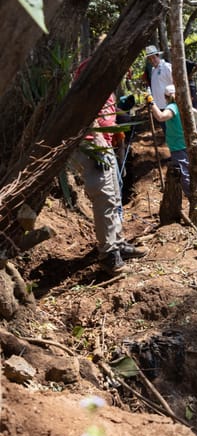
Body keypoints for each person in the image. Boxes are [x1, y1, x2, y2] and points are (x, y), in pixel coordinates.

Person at [71, 56, 147, 276]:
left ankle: (118, 243)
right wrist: (96, 142)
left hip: (103, 141)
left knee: (114, 195)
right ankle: (108, 255)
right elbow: (84, 104)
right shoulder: (94, 68)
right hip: (91, 142)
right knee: (103, 196)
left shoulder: (108, 76)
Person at [148, 84, 192, 197]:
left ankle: (193, 198)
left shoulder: (172, 107)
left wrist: (152, 103)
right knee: (186, 171)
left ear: (166, 97)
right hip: (183, 143)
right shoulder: (182, 105)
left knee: (184, 174)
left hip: (178, 145)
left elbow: (161, 117)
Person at [143, 45, 173, 109]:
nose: (152, 61)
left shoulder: (166, 67)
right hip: (158, 107)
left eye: (153, 57)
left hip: (169, 106)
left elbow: (175, 83)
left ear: (158, 56)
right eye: (150, 59)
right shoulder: (153, 70)